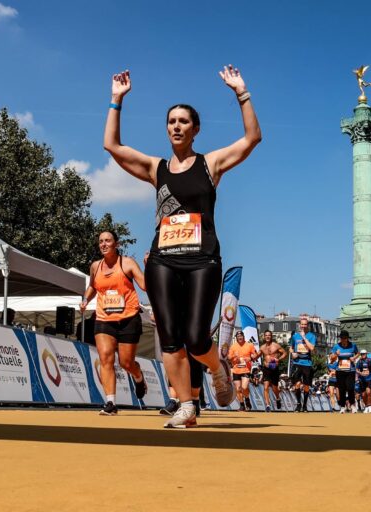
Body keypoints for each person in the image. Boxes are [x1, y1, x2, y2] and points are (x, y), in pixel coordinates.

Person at [103, 65, 261, 428]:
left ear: (196, 129)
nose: (176, 126)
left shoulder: (211, 164)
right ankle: (186, 406)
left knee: (195, 337)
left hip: (203, 259)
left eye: (183, 121)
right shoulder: (156, 168)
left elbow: (252, 138)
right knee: (170, 337)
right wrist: (116, 100)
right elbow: (112, 146)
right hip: (163, 260)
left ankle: (217, 368)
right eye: (171, 121)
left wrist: (242, 93)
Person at [80, 231, 147, 416]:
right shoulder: (95, 266)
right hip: (104, 318)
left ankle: (138, 376)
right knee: (106, 358)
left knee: (126, 362)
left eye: (108, 241)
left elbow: (145, 286)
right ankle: (110, 403)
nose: (103, 244)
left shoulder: (127, 263)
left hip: (129, 317)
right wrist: (86, 299)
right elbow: (93, 286)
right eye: (101, 241)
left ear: (116, 244)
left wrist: (149, 267)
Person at [290, 318, 316, 412]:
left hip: (307, 363)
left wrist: (304, 338)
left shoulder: (311, 336)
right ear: (299, 325)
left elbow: (312, 348)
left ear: (307, 325)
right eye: (302, 324)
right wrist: (292, 353)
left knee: (306, 386)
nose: (303, 326)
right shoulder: (295, 336)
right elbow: (291, 347)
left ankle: (304, 405)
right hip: (297, 362)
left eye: (305, 324)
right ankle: (298, 403)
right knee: (297, 384)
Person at [228, 331, 258, 411]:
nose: (240, 337)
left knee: (244, 387)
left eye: (241, 336)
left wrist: (250, 358)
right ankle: (242, 405)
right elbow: (229, 357)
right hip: (236, 370)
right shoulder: (233, 347)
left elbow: (256, 354)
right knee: (238, 389)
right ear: (236, 337)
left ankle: (247, 399)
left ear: (243, 336)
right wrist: (235, 356)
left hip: (246, 370)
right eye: (238, 336)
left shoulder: (249, 345)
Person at [331, 330, 359, 413]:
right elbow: (332, 358)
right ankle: (342, 406)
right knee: (341, 389)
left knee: (350, 388)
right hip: (340, 370)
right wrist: (336, 354)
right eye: (342, 338)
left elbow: (358, 353)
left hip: (351, 370)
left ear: (347, 338)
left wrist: (354, 358)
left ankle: (353, 405)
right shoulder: (336, 346)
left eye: (345, 338)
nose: (343, 340)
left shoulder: (353, 345)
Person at [258, 330, 286, 412]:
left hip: (274, 368)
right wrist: (251, 357)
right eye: (266, 335)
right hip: (266, 368)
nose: (267, 336)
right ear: (264, 337)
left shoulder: (276, 346)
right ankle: (267, 405)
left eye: (269, 335)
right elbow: (257, 355)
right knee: (266, 386)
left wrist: (278, 359)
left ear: (271, 336)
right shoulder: (262, 347)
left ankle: (277, 398)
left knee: (274, 388)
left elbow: (284, 353)